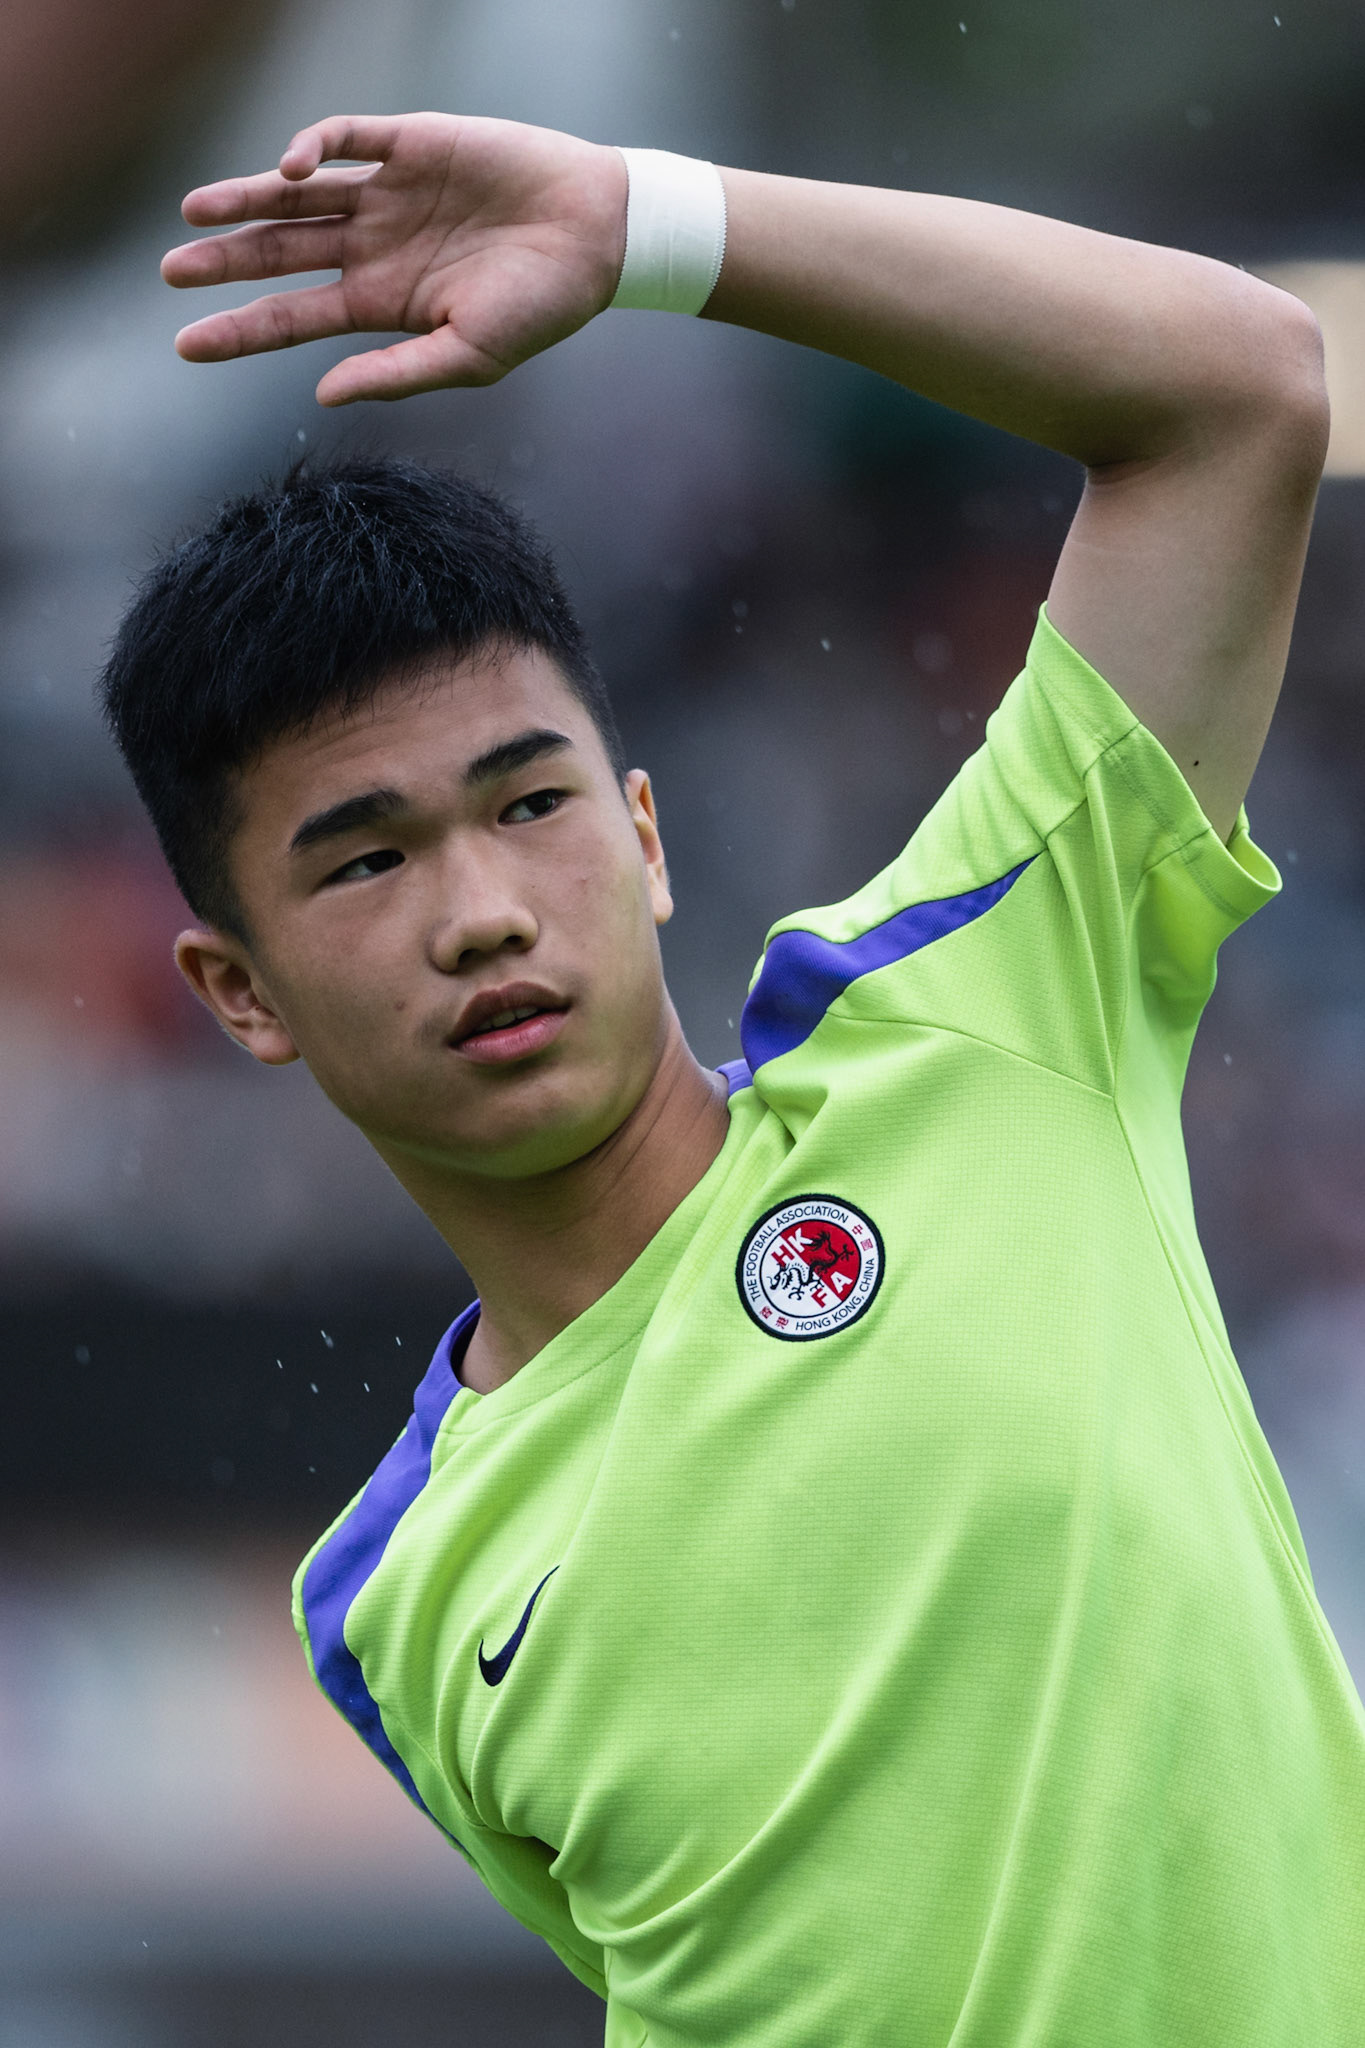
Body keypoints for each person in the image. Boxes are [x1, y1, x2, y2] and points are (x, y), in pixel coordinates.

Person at [100, 112, 1365, 2044]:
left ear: (647, 834)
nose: (480, 914)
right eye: (364, 860)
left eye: (528, 805)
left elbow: (1240, 389)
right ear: (237, 989)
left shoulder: (980, 1011)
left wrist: (655, 223)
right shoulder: (393, 1610)